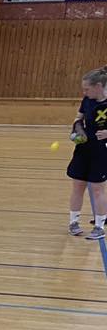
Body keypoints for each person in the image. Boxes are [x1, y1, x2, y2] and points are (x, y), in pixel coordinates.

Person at [66, 66, 107, 239]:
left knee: (97, 189)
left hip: (101, 151)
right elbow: (78, 118)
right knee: (78, 186)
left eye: (87, 89)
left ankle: (99, 226)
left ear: (98, 86)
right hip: (83, 149)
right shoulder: (87, 100)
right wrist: (77, 130)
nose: (84, 92)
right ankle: (73, 222)